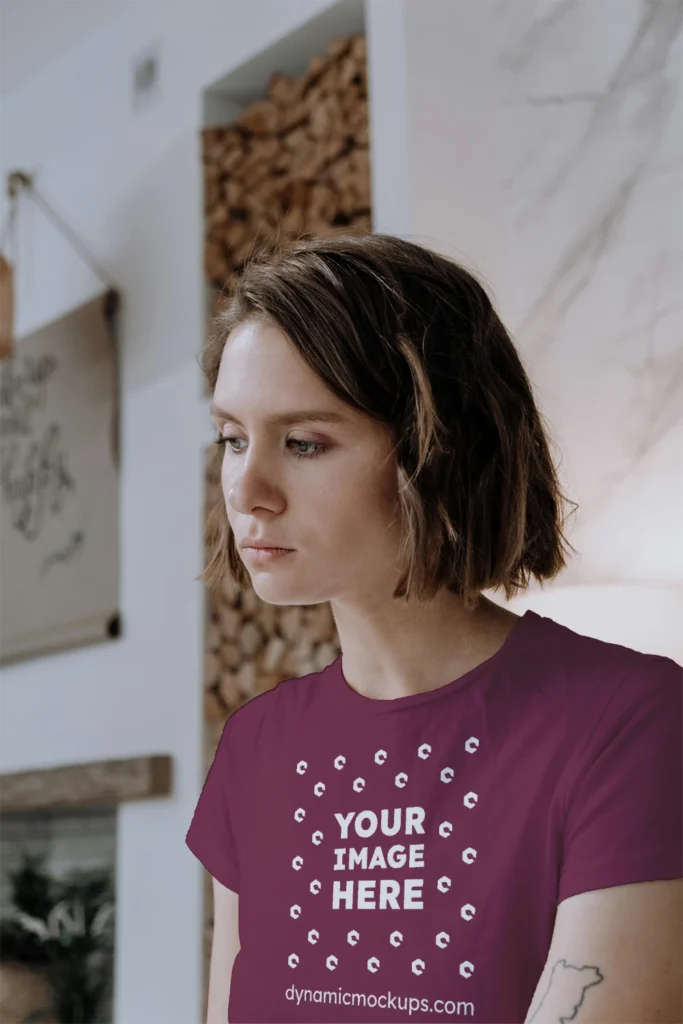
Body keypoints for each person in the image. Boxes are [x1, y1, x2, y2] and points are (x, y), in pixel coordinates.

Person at [185, 233, 683, 1024]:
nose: (246, 488)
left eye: (304, 442)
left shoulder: (630, 719)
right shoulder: (255, 746)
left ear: (436, 448)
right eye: (232, 439)